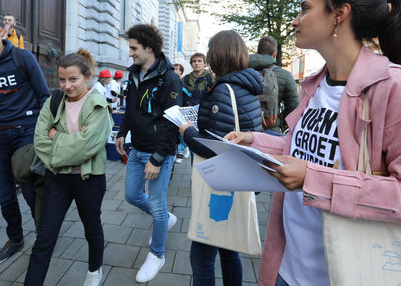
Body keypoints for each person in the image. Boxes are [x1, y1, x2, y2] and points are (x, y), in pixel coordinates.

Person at [225, 0, 401, 286]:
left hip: (344, 272)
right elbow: (303, 151)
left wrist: (313, 179)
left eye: (306, 8)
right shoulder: (315, 85)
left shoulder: (391, 87)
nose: (295, 20)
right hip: (287, 265)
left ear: (339, 15)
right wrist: (253, 141)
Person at [179, 30, 263, 286]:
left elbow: (217, 146)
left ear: (217, 55)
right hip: (240, 179)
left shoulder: (223, 90)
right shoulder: (246, 87)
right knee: (230, 250)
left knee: (202, 256)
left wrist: (188, 132)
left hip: (221, 184)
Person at [25, 49, 113, 286]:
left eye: (73, 79)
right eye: (62, 79)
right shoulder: (53, 102)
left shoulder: (98, 106)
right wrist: (71, 143)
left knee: (91, 228)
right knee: (45, 238)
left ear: (87, 77)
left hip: (89, 180)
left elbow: (88, 147)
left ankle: (95, 271)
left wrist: (57, 136)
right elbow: (39, 141)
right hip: (57, 180)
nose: (67, 85)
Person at [0, 12, 50, 265]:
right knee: (5, 195)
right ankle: (15, 239)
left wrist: (42, 130)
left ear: (0, 31)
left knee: (30, 191)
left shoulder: (22, 57)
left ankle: (44, 236)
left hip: (26, 132)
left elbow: (44, 96)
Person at [115, 23, 182, 283]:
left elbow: (172, 122)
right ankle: (166, 218)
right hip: (136, 149)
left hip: (158, 154)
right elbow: (131, 109)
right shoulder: (133, 73)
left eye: (134, 48)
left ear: (149, 48)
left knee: (156, 204)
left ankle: (157, 254)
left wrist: (157, 158)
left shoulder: (170, 77)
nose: (130, 53)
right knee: (132, 196)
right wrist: (122, 132)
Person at [248, 36, 299, 133]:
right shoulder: (286, 75)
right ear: (275, 54)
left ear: (257, 52)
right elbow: (294, 107)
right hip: (271, 130)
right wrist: (278, 120)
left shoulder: (243, 70)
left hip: (245, 130)